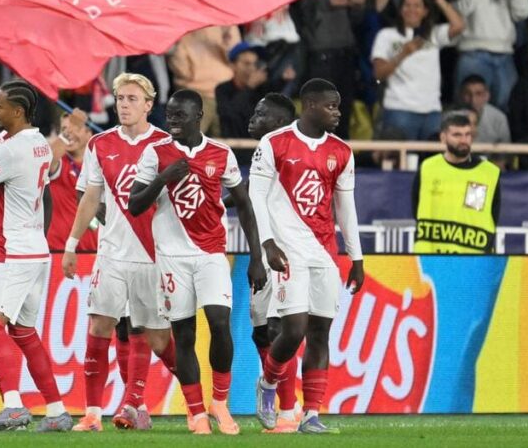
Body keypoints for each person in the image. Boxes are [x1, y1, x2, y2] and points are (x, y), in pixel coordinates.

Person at [129, 88, 266, 435]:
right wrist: (163, 178)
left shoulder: (221, 153)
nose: (172, 121)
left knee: (219, 323)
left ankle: (219, 401)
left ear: (197, 116)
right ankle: (196, 413)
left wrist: (256, 257)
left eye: (179, 115)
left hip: (211, 253)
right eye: (169, 114)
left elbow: (244, 205)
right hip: (172, 257)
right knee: (184, 335)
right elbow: (135, 205)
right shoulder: (155, 153)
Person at [60, 73, 177, 432]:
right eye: (120, 98)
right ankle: (94, 413)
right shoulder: (100, 143)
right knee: (99, 325)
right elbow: (90, 196)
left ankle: (192, 398)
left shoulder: (166, 144)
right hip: (110, 253)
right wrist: (71, 243)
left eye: (132, 99)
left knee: (152, 335)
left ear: (148, 105)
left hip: (153, 255)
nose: (124, 105)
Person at [251, 78, 364, 435]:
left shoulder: (342, 151)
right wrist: (267, 243)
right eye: (332, 106)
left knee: (320, 333)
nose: (337, 113)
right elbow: (255, 197)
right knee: (294, 328)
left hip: (325, 254)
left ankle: (311, 414)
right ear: (311, 105)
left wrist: (356, 257)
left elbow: (346, 208)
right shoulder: (275, 143)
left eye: (338, 106)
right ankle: (268, 384)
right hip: (287, 251)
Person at [0, 81, 71, 432]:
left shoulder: (8, 151)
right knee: (24, 332)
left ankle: (11, 404)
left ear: (18, 111)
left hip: (13, 253)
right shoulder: (38, 143)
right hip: (37, 250)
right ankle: (56, 411)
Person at [242, 93, 300, 428]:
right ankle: (273, 390)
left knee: (281, 328)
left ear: (277, 122)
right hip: (264, 253)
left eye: (260, 112)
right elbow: (251, 198)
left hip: (285, 254)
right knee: (262, 332)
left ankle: (288, 410)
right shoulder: (267, 148)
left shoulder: (286, 147)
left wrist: (257, 256)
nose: (253, 116)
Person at [371, 0, 466, 141]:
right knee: (400, 162)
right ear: (400, 9)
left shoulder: (433, 34)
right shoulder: (387, 35)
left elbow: (459, 25)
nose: (412, 10)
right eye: (407, 5)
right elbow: (379, 74)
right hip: (399, 109)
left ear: (425, 11)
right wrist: (403, 54)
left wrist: (441, 2)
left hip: (432, 111)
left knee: (431, 162)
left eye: (417, 6)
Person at [292, 0, 370, 139]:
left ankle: (340, 157)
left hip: (346, 52)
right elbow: (305, 2)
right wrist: (339, 0)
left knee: (342, 112)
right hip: (320, 54)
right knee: (318, 113)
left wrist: (358, 4)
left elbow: (359, 16)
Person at [412, 110, 501, 253]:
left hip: (474, 261)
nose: (463, 140)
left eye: (467, 135)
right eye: (457, 135)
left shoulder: (488, 173)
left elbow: (493, 215)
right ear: (443, 138)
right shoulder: (428, 168)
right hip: (431, 260)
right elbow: (416, 208)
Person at [167, 26, 240, 137]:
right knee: (185, 143)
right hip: (193, 95)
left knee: (226, 146)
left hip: (225, 94)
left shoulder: (227, 23)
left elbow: (236, 60)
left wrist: (227, 40)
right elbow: (183, 71)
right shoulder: (179, 25)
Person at [216, 42, 290, 138]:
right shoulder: (222, 89)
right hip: (234, 144)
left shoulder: (260, 89)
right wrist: (249, 87)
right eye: (246, 64)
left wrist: (283, 80)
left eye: (255, 64)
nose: (251, 68)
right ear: (233, 65)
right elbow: (231, 115)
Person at [46, 110, 94, 252]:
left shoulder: (100, 167)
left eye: (76, 128)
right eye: (64, 129)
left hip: (93, 252)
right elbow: (47, 161)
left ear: (89, 134)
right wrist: (70, 131)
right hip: (59, 253)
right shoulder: (59, 164)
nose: (70, 132)